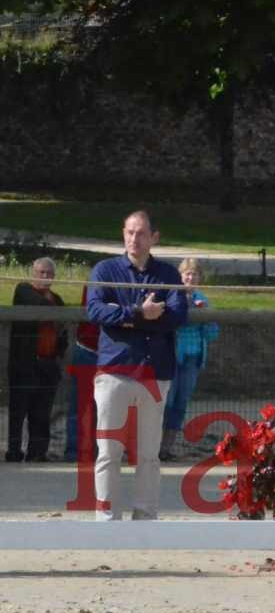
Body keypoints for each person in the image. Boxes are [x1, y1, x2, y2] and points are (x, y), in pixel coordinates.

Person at [85, 210, 188, 520]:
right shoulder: (105, 269)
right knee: (109, 452)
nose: (134, 239)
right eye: (130, 232)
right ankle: (106, 518)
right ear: (123, 233)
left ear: (153, 237)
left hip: (155, 374)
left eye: (141, 233)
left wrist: (126, 318)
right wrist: (139, 313)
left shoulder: (168, 275)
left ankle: (145, 517)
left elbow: (176, 316)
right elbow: (96, 312)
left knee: (148, 455)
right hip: (114, 372)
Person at [6, 256, 67, 462]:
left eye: (50, 274)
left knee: (42, 413)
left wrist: (59, 355)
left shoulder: (56, 299)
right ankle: (13, 452)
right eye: (42, 273)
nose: (46, 277)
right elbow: (39, 305)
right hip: (24, 363)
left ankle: (37, 452)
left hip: (48, 363)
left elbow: (64, 328)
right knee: (18, 411)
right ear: (34, 273)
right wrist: (55, 311)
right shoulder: (23, 290)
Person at [160, 258, 220, 461]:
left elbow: (212, 334)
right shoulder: (171, 297)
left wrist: (204, 316)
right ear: (180, 276)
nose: (190, 277)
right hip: (172, 358)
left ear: (199, 278)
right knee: (166, 403)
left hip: (193, 359)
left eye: (194, 274)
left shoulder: (203, 299)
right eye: (187, 273)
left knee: (180, 403)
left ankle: (166, 448)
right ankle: (153, 445)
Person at [63, 280, 100, 463]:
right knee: (80, 405)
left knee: (106, 408)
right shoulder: (96, 280)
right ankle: (74, 451)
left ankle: (99, 451)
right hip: (88, 349)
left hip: (112, 353)